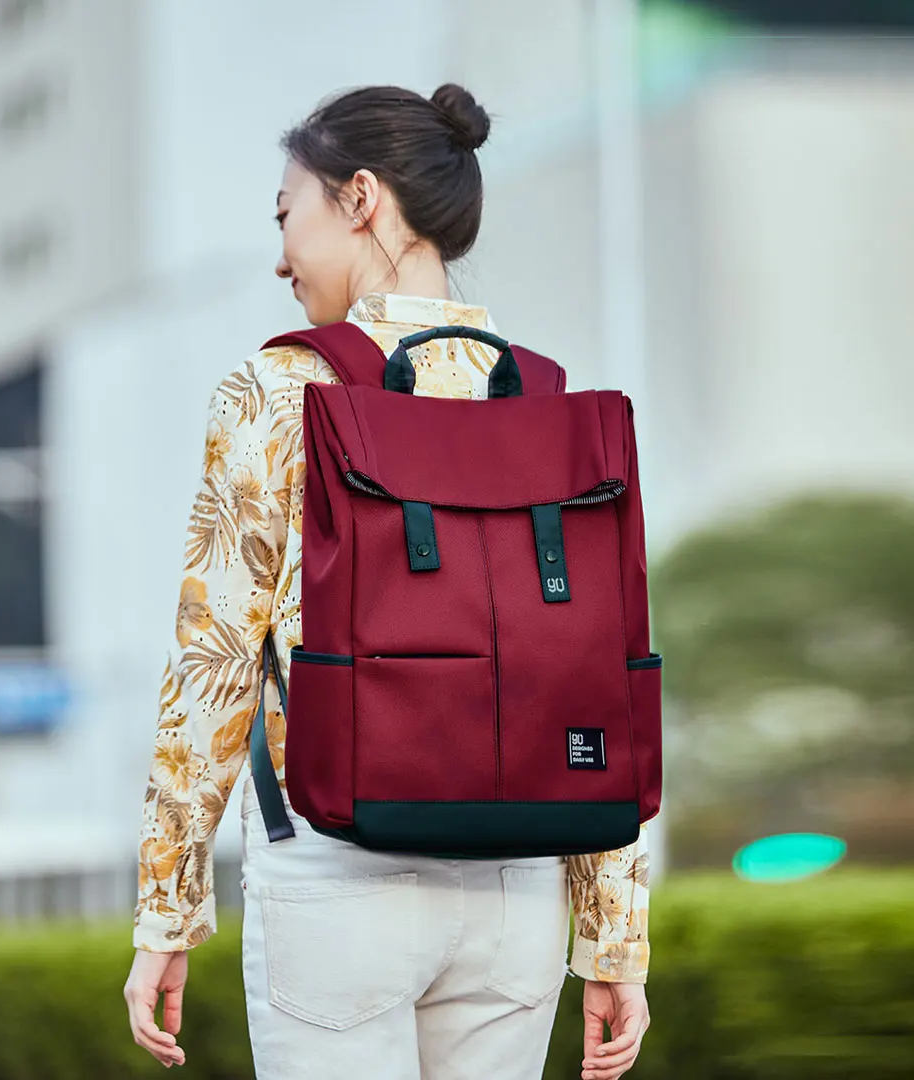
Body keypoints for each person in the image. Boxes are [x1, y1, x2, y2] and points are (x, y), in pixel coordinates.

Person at [123, 83, 651, 1080]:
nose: (282, 257)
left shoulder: (276, 390)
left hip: (336, 869)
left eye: (289, 214)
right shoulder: (549, 405)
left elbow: (215, 662)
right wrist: (615, 938)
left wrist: (168, 910)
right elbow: (594, 669)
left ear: (360, 196)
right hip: (522, 880)